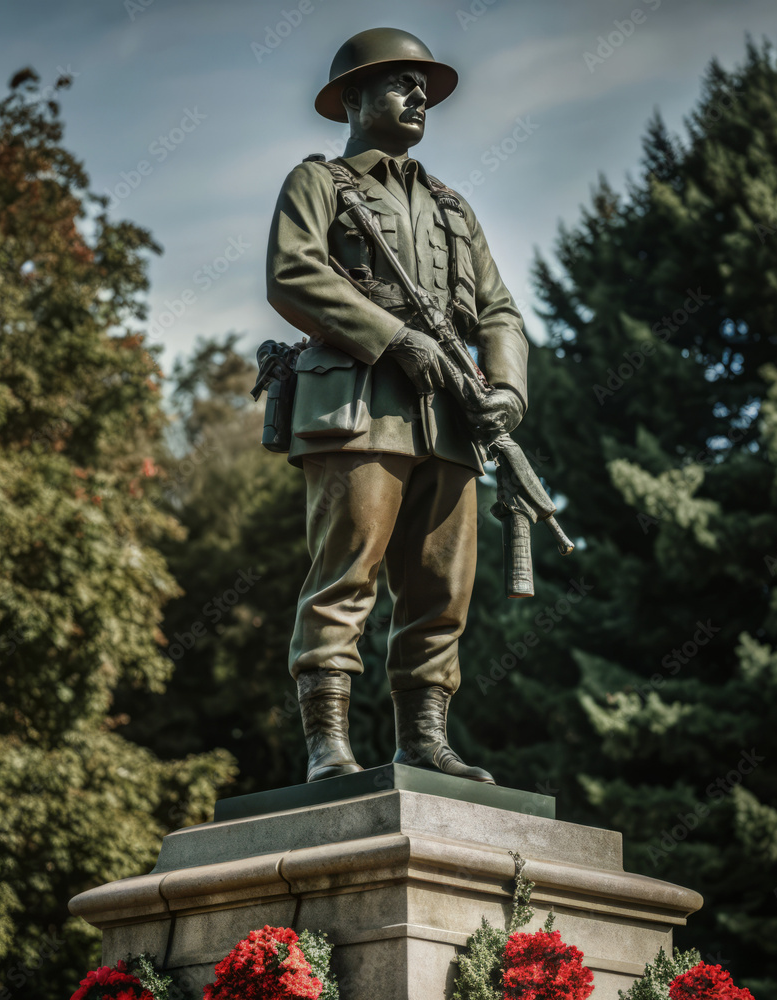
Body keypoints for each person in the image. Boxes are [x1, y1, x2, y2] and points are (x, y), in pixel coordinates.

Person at [266, 27, 528, 785]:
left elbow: (499, 311)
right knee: (345, 578)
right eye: (398, 83)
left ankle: (425, 741)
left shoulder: (453, 207)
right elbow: (293, 275)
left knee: (441, 591)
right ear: (351, 99)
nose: (418, 96)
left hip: (449, 422)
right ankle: (328, 748)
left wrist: (506, 388)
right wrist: (391, 339)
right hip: (355, 410)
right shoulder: (315, 183)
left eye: (424, 86)